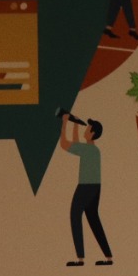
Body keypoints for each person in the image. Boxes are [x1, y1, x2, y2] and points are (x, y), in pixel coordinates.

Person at [59, 113, 114, 266]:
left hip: (86, 186)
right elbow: (76, 145)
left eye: (88, 128)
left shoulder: (88, 150)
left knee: (75, 215)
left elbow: (64, 144)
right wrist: (75, 125)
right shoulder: (93, 150)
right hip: (95, 187)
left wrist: (65, 123)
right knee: (94, 219)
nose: (86, 129)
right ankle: (108, 257)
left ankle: (80, 258)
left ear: (92, 133)